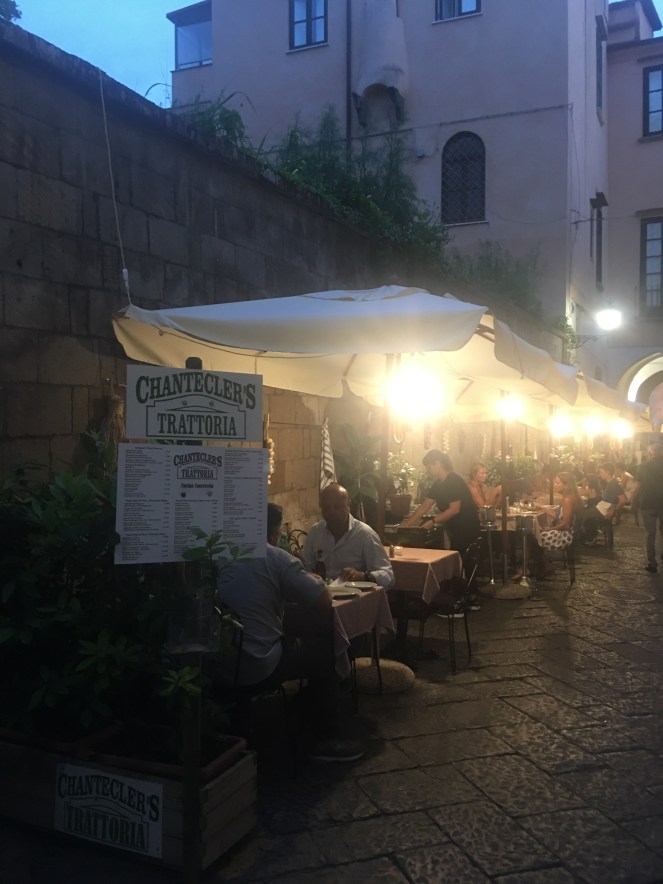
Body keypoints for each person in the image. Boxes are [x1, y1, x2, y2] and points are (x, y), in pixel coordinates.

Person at [216, 502, 364, 762]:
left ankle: (300, 707)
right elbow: (323, 600)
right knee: (325, 649)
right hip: (258, 664)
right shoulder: (274, 557)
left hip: (213, 665)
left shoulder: (214, 553)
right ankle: (325, 738)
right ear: (274, 533)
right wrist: (313, 580)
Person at [303, 483, 394, 588]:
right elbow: (306, 569)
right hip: (321, 594)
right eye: (327, 507)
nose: (332, 512)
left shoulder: (365, 535)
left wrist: (363, 576)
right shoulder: (315, 533)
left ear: (348, 505)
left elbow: (389, 576)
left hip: (355, 595)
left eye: (338, 507)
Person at [401, 450, 481, 557]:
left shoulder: (454, 481)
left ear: (438, 463)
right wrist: (407, 525)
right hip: (454, 528)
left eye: (429, 467)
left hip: (466, 528)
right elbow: (424, 506)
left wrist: (433, 521)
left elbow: (454, 509)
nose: (428, 471)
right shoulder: (438, 484)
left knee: (460, 560)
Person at [533, 471, 584, 577]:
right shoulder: (570, 496)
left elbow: (565, 524)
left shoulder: (568, 499)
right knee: (534, 535)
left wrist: (548, 529)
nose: (554, 485)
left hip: (565, 535)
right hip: (569, 532)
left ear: (566, 485)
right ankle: (541, 565)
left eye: (557, 482)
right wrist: (544, 509)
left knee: (533, 537)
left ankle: (536, 567)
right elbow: (559, 515)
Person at [635, 442, 663, 573]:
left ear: (651, 453)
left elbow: (638, 485)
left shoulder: (643, 466)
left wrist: (633, 500)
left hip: (647, 502)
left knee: (650, 534)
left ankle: (652, 562)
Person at [578, 473, 602, 545]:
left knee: (578, 515)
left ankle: (587, 537)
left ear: (590, 482)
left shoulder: (590, 490)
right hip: (596, 509)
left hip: (591, 510)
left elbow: (577, 494)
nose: (585, 482)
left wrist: (580, 484)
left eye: (586, 481)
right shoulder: (597, 489)